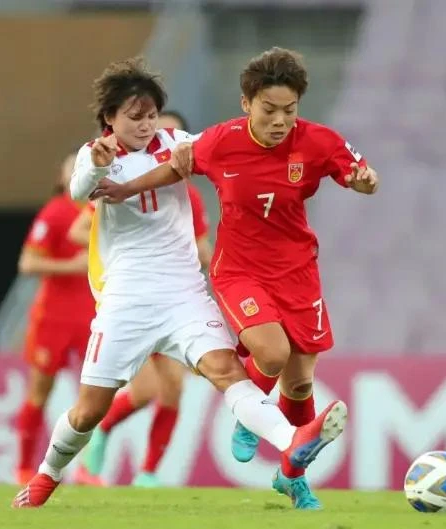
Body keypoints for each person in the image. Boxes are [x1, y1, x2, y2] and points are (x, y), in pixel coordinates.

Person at [12, 57, 347, 508]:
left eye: (151, 115)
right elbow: (78, 191)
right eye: (135, 117)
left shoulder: (178, 143)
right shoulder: (98, 156)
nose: (146, 125)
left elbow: (230, 141)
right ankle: (47, 475)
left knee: (226, 371)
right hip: (126, 302)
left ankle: (292, 441)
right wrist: (95, 165)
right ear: (110, 118)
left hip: (184, 294)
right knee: (90, 409)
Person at [90, 47, 379, 509]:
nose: (280, 120)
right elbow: (174, 167)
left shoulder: (319, 141)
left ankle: (291, 474)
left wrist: (364, 181)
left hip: (298, 271)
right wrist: (125, 187)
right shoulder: (221, 140)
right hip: (240, 269)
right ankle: (250, 415)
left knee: (301, 384)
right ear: (247, 103)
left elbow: (360, 175)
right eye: (269, 110)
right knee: (272, 351)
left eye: (289, 110)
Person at [70, 110, 214, 488]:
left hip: (173, 297)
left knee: (170, 390)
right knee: (151, 390)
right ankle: (105, 443)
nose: (151, 136)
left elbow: (202, 248)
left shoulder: (188, 195)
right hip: (132, 296)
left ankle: (146, 473)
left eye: (161, 128)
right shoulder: (117, 175)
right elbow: (80, 225)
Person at [14, 153, 95, 486]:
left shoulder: (105, 209)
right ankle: (22, 467)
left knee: (96, 395)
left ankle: (88, 470)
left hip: (94, 315)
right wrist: (71, 267)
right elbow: (28, 264)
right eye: (72, 169)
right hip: (54, 317)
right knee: (39, 392)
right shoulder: (56, 211)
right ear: (64, 179)